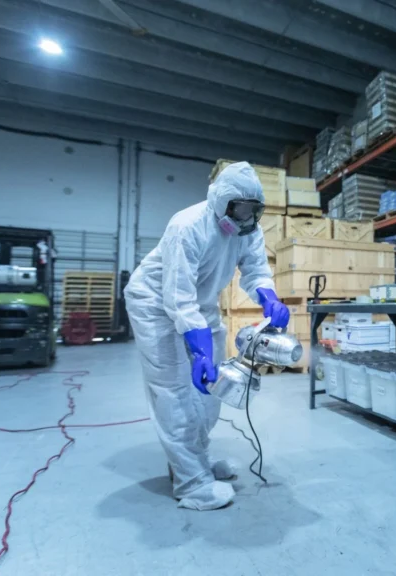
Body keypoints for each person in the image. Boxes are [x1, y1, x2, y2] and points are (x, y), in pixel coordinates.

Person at [124, 162, 290, 510]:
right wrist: (198, 351)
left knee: (212, 391)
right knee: (174, 392)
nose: (245, 217)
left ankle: (194, 461)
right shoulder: (187, 225)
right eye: (239, 208)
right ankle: (192, 483)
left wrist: (269, 297)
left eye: (252, 210)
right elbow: (177, 297)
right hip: (156, 304)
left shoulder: (247, 229)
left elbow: (256, 270)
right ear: (221, 201)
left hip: (200, 303)